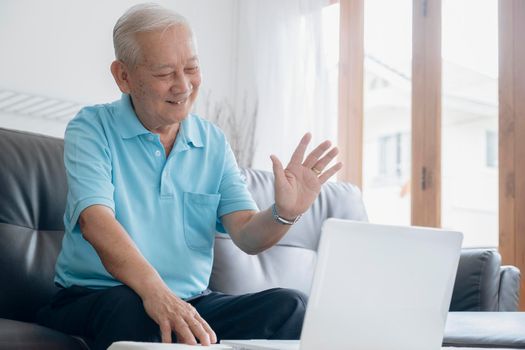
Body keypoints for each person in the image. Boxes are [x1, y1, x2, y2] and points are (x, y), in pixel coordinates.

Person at [36, 3, 342, 350]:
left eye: (192, 68)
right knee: (134, 310)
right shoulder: (92, 127)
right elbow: (95, 222)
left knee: (291, 307)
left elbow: (246, 235)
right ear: (123, 76)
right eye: (165, 73)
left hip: (190, 302)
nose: (183, 86)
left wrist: (285, 212)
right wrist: (156, 294)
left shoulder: (212, 141)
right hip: (95, 297)